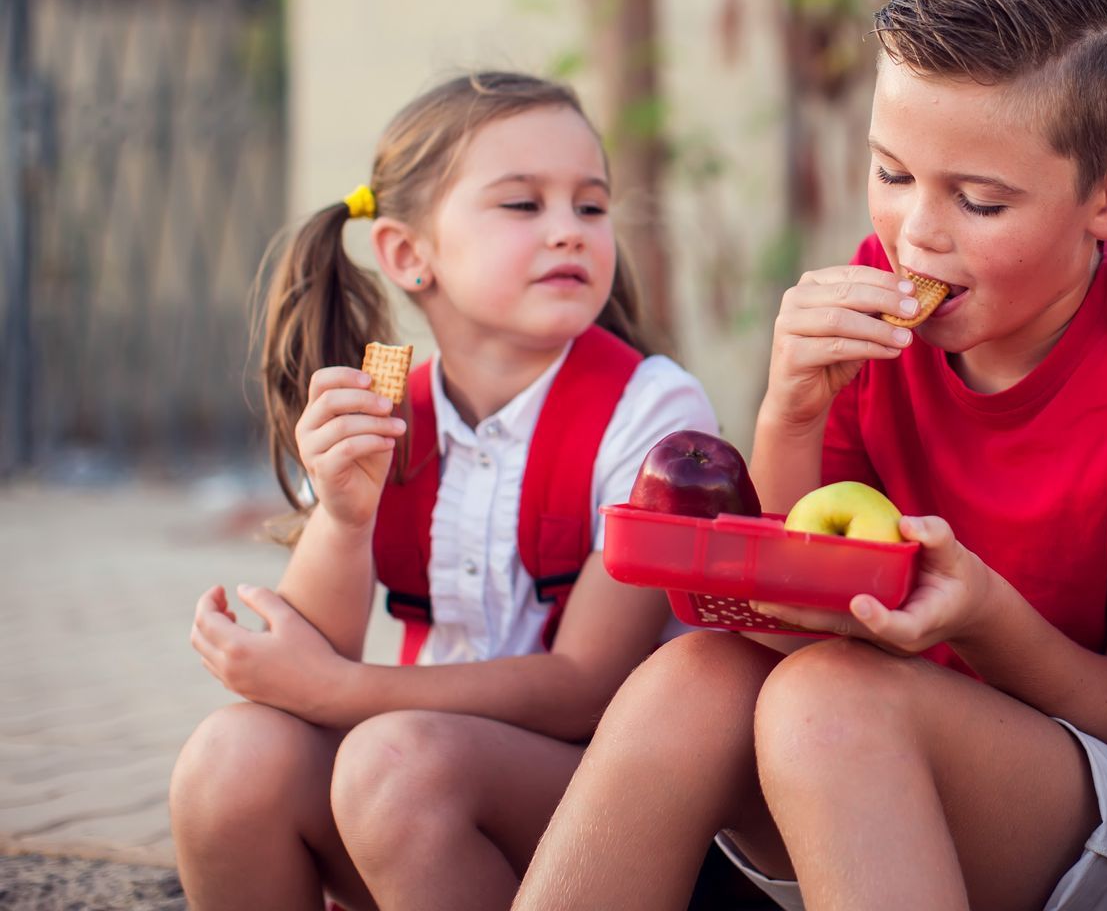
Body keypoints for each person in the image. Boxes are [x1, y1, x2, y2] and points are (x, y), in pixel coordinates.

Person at [516, 0, 1107, 911]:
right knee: (694, 675)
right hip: (879, 747)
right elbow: (798, 615)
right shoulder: (881, 304)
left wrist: (985, 615)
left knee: (826, 701)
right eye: (891, 173)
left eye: (979, 199)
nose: (917, 233)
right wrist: (788, 413)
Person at [169, 71, 718, 911]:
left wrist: (339, 694)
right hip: (415, 789)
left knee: (391, 761)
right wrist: (345, 517)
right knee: (230, 758)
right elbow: (320, 651)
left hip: (615, 807)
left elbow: (586, 686)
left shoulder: (653, 411)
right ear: (406, 255)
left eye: (591, 206)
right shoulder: (389, 412)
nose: (569, 231)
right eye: (523, 205)